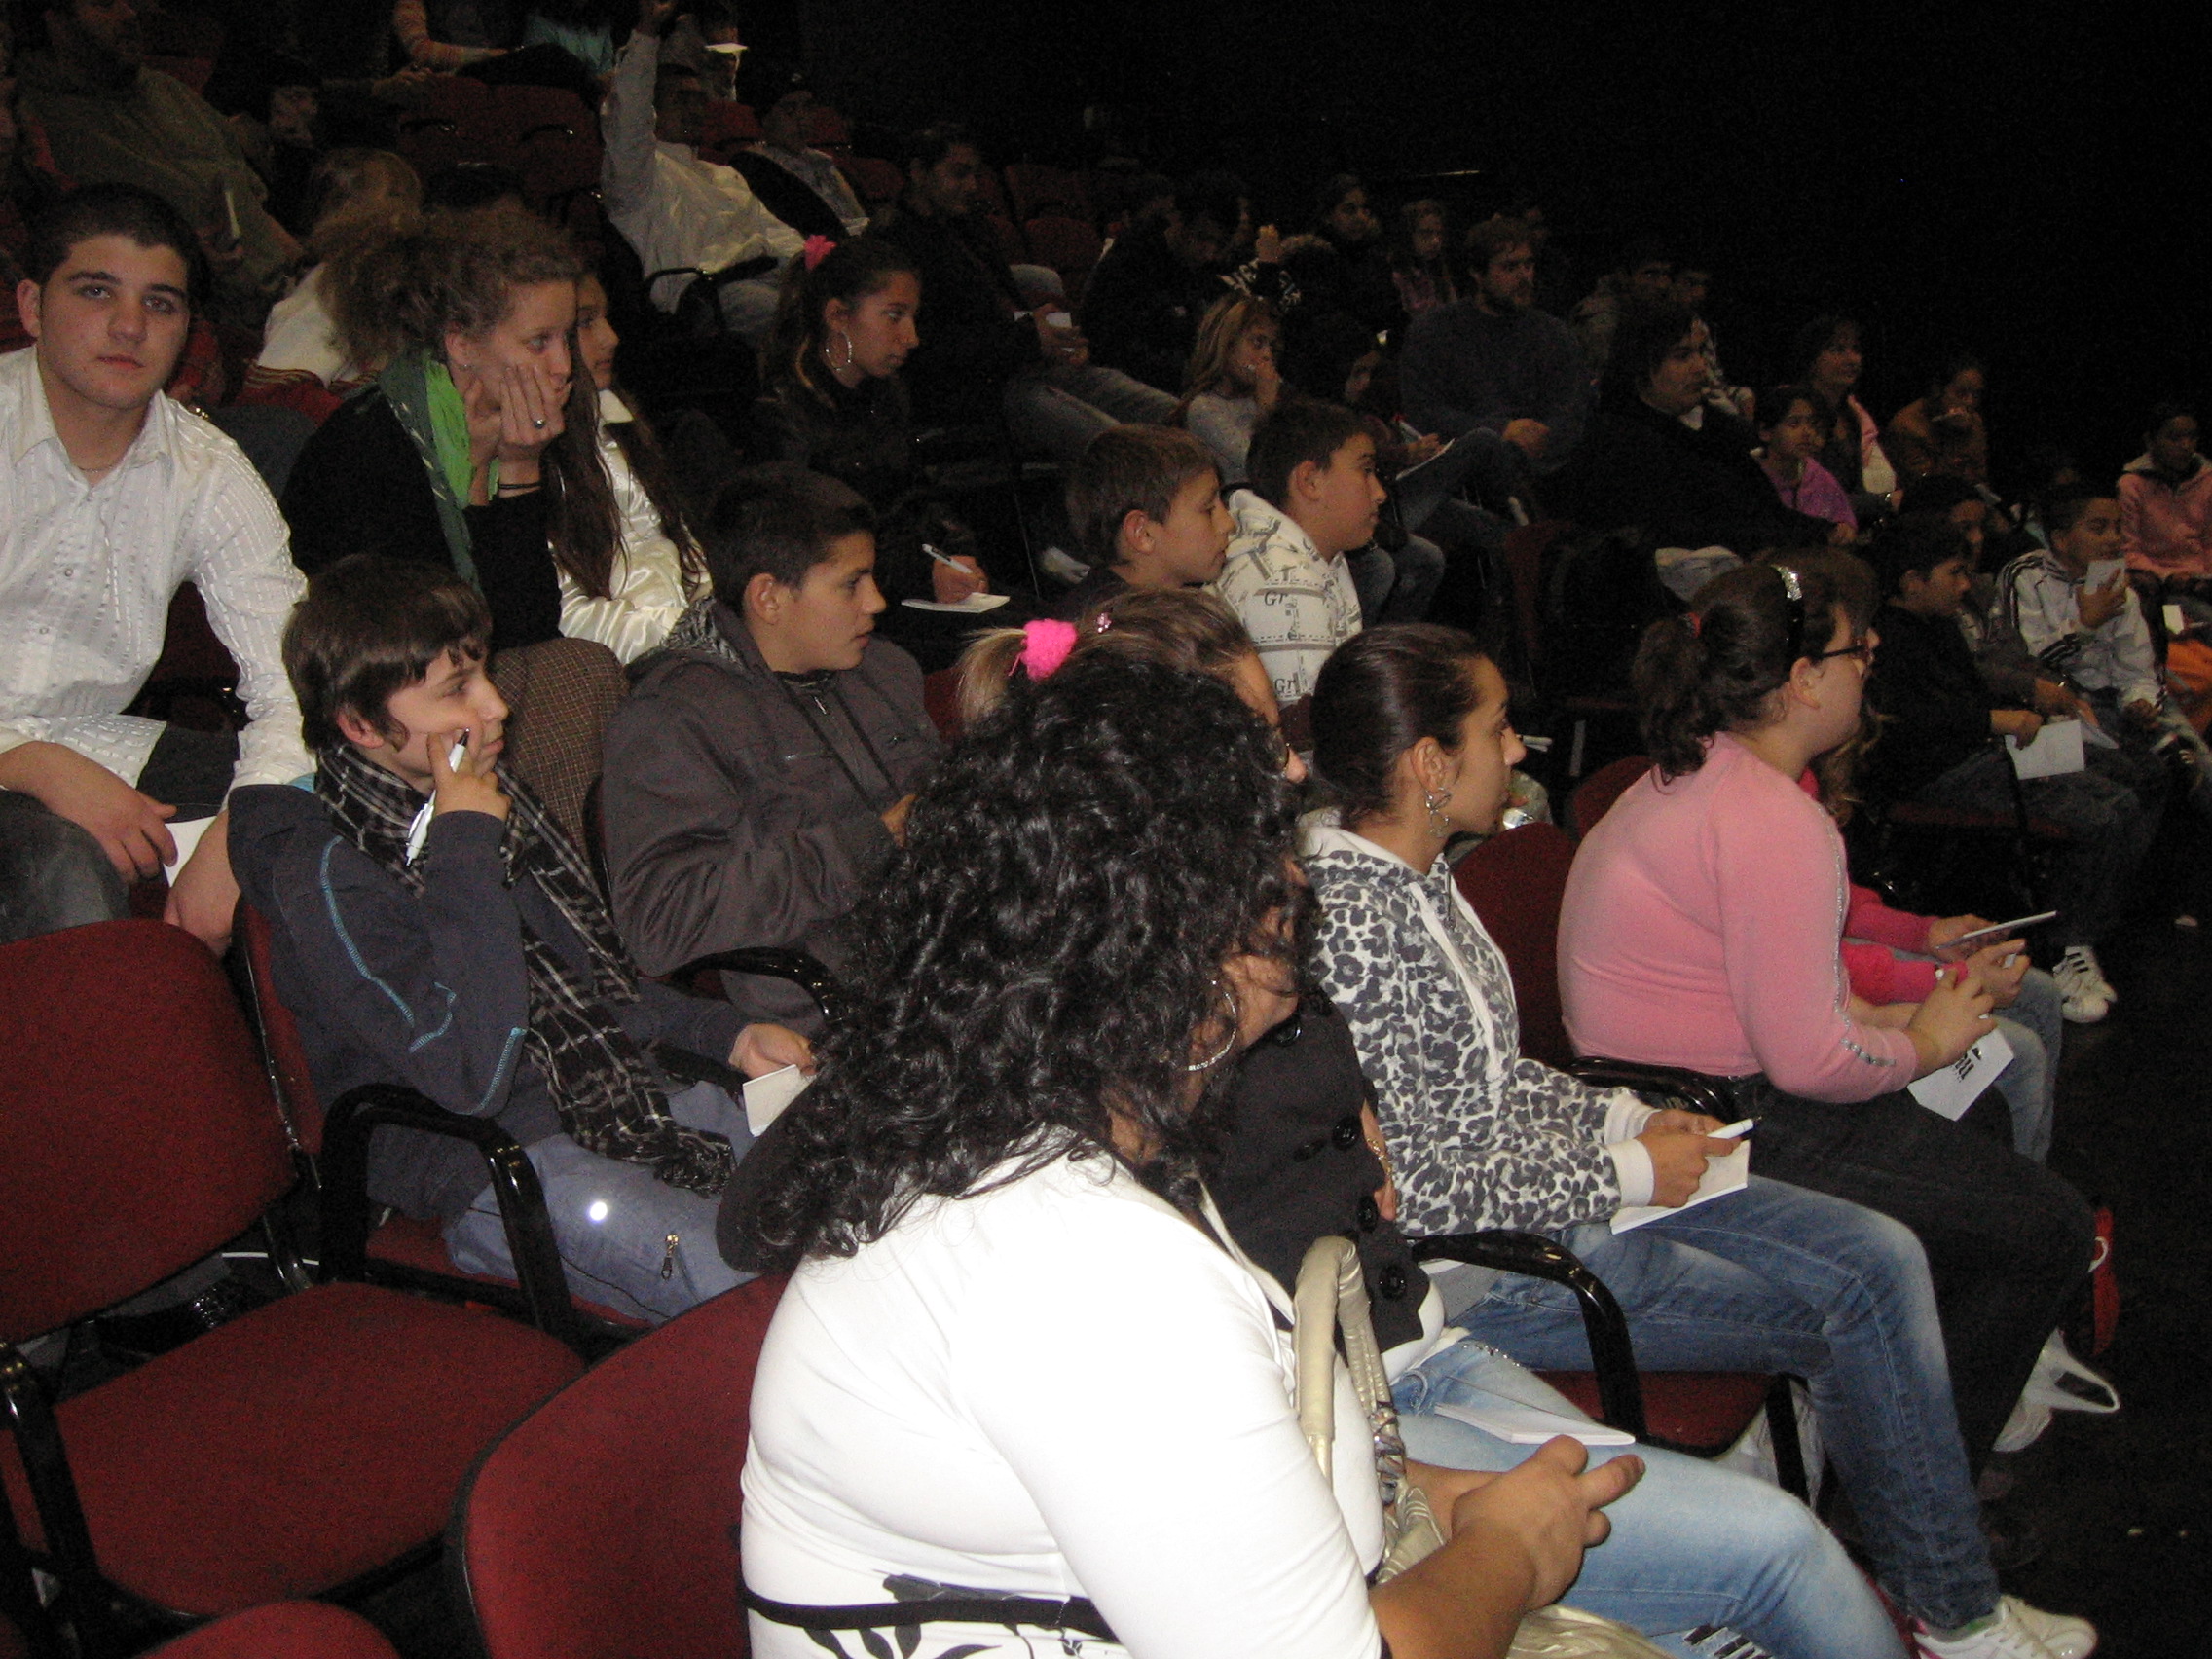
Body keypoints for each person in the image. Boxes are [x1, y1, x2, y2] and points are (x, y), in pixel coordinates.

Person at [944, 592, 1905, 1657]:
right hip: (1382, 1374)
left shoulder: (1275, 949)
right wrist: (1622, 1167)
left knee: (1729, 1477)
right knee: (1782, 1527)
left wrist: (1616, 1125)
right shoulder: (1196, 1015)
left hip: (1406, 1345)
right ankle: (1925, 1599)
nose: (1296, 768)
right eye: (1259, 739)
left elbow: (1434, 1128)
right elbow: (1374, 1224)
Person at [733, 645, 1644, 1659]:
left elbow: (1211, 1483)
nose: (1297, 877)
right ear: (1180, 941)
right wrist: (1512, 1549)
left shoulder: (1042, 1124)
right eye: (1265, 851)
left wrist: (1426, 1492)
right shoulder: (1089, 1275)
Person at [1301, 622, 2091, 1658]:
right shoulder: (1356, 926)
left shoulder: (1416, 878)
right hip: (1497, 1266)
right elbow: (1424, 1188)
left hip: (1570, 1194)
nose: (1520, 749)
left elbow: (1492, 1084)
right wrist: (1630, 1166)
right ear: (1429, 765)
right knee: (1862, 1289)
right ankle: (1948, 1604)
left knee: (1879, 1257)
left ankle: (1921, 1577)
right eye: (1497, 730)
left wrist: (1630, 1117)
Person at [1556, 554, 2099, 1488]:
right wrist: (1925, 1039)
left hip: (1688, 1091)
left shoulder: (1709, 774)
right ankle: (1918, 1483)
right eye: (1857, 650)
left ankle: (1904, 1412)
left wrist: (1915, 1019)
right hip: (1712, 1118)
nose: (1871, 655)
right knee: (2046, 1227)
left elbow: (1784, 999)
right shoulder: (1770, 816)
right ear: (1803, 681)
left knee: (1984, 1118)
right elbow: (1807, 1062)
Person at [231, 554, 808, 1321]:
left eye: (485, 674)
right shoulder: (330, 874)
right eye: (457, 690)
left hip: (618, 1098)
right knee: (765, 1301)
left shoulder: (484, 803)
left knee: (860, 1200)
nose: (496, 705)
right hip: (487, 1158)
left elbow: (591, 988)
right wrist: (465, 847)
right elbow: (471, 1077)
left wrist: (726, 1034)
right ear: (361, 725)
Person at [1, 182, 309, 952]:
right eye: (96, 291)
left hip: (95, 739)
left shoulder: (206, 470)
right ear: (33, 307)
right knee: (61, 865)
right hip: (30, 758)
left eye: (161, 304)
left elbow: (297, 685)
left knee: (334, 805)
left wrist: (242, 831)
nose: (130, 326)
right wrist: (29, 763)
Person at [600, 466, 940, 1030]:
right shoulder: (674, 719)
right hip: (845, 1014)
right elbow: (660, 923)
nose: (876, 602)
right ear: (769, 597)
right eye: (851, 584)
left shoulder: (883, 670)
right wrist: (868, 844)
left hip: (950, 962)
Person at [1864, 515, 2155, 1024]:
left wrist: (2021, 700)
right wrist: (1993, 719)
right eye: (1954, 573)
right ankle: (2068, 945)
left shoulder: (1939, 625)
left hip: (1984, 752)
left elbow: (1973, 686)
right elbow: (1906, 722)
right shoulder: (1884, 641)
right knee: (2103, 815)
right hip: (1936, 775)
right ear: (1912, 581)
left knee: (2134, 776)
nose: (1964, 585)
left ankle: (2099, 915)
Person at [281, 203, 581, 652]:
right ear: (461, 345)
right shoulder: (371, 445)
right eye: (539, 342)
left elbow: (532, 626)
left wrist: (519, 466)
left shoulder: (523, 424)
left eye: (566, 338)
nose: (563, 365)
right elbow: (446, 637)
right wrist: (482, 476)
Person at [749, 235, 1017, 668]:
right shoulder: (784, 415)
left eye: (912, 317)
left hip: (907, 583)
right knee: (1006, 646)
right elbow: (814, 548)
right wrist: (923, 571)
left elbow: (917, 494)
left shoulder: (886, 395)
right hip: (854, 609)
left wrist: (955, 552)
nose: (911, 337)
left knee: (1028, 623)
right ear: (838, 316)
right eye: (894, 316)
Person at [869, 122, 1175, 463]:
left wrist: (1056, 337)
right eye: (958, 174)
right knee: (1119, 447)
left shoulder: (969, 225)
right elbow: (926, 349)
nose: (972, 186)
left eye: (975, 174)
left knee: (1169, 412)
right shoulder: (894, 245)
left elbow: (1001, 311)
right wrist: (1029, 338)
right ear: (918, 172)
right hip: (972, 392)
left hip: (1018, 365)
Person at [16, 0, 303, 320]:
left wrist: (309, 267)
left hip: (285, 297)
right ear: (56, 21)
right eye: (106, 4)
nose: (128, 14)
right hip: (187, 313)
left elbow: (249, 201)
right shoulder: (41, 119)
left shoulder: (168, 92)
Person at [1549, 300, 1830, 555]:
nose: (1700, 367)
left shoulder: (1721, 431)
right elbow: (1674, 535)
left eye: (1700, 352)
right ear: (1641, 365)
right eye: (1682, 356)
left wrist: (1827, 532)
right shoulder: (1618, 443)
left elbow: (1765, 512)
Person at [599, 0, 803, 345]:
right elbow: (627, 118)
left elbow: (780, 236)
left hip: (772, 274)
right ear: (653, 110)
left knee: (851, 300)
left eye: (698, 100)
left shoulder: (724, 175)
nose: (695, 109)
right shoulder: (639, 177)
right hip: (714, 294)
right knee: (807, 319)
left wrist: (818, 264)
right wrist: (647, 33)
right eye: (681, 99)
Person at [544, 272, 708, 660]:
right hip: (629, 666)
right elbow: (572, 620)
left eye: (605, 317)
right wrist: (697, 634)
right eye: (586, 322)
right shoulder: (536, 465)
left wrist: (717, 614)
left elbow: (684, 551)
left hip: (684, 644)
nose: (611, 337)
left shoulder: (619, 424)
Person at [1210, 399, 1379, 745]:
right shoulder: (1284, 582)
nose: (1380, 493)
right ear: (1310, 481)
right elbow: (1311, 743)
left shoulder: (1308, 556)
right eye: (1365, 471)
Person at [1399, 215, 1591, 484]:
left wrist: (1540, 437)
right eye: (1510, 267)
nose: (1524, 276)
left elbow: (1572, 408)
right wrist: (1501, 429)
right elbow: (1424, 410)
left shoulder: (1554, 334)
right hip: (1466, 471)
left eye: (1528, 264)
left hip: (1546, 467)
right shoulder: (1435, 331)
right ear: (1477, 273)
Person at [242, 147, 421, 414]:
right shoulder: (330, 291)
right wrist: (361, 423)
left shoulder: (388, 288)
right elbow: (273, 396)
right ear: (347, 210)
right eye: (395, 197)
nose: (410, 215)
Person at [1080, 168, 1287, 396]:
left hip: (1191, 382)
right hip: (1131, 381)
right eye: (1202, 238)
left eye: (1219, 244)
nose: (1209, 252)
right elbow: (1116, 349)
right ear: (1176, 219)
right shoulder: (1132, 258)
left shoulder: (1207, 267)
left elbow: (1253, 323)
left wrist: (1268, 269)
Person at [1049, 424, 1231, 618]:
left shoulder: (1162, 610)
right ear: (1143, 533)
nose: (1228, 524)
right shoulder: (1122, 631)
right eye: (1208, 510)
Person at [728, 63, 870, 241]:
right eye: (790, 109)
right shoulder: (752, 167)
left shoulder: (825, 162)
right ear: (766, 118)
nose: (802, 117)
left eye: (808, 107)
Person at [1788, 314, 1899, 520]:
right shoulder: (1798, 415)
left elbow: (1854, 489)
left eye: (1855, 350)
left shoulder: (1849, 414)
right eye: (1837, 350)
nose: (1852, 359)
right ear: (1812, 360)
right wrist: (1885, 501)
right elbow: (1812, 499)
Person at [1175, 291, 1283, 486]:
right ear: (1227, 344)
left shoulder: (1258, 397)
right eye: (1257, 343)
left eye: (1271, 347)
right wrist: (1268, 409)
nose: (1267, 355)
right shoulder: (1205, 408)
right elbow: (1264, 465)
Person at [2119, 403, 2212, 611]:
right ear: (2151, 441)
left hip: (2201, 579)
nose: (2186, 446)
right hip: (2157, 583)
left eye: (2192, 437)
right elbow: (2128, 550)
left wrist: (2204, 576)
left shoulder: (2207, 480)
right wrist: (2167, 576)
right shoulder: (2132, 485)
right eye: (2174, 438)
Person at [1756, 384, 1857, 536]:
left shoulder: (1821, 479)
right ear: (1765, 432)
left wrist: (1844, 532)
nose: (1807, 432)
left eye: (1812, 424)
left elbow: (1846, 523)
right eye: (1794, 424)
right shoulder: (1745, 477)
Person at [1569, 237, 1672, 378]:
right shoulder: (1602, 323)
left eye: (1666, 274)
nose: (1662, 285)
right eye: (1650, 274)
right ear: (1623, 276)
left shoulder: (1648, 311)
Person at [1886, 354, 1992, 487]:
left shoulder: (1973, 421)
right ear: (1937, 390)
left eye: (1976, 395)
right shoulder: (1906, 426)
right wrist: (1956, 436)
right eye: (1961, 393)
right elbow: (1929, 484)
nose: (1970, 402)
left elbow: (1979, 477)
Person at [1387, 198, 1456, 318]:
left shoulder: (1439, 268)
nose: (1435, 241)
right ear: (1409, 235)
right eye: (1426, 233)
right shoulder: (1394, 273)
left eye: (1439, 233)